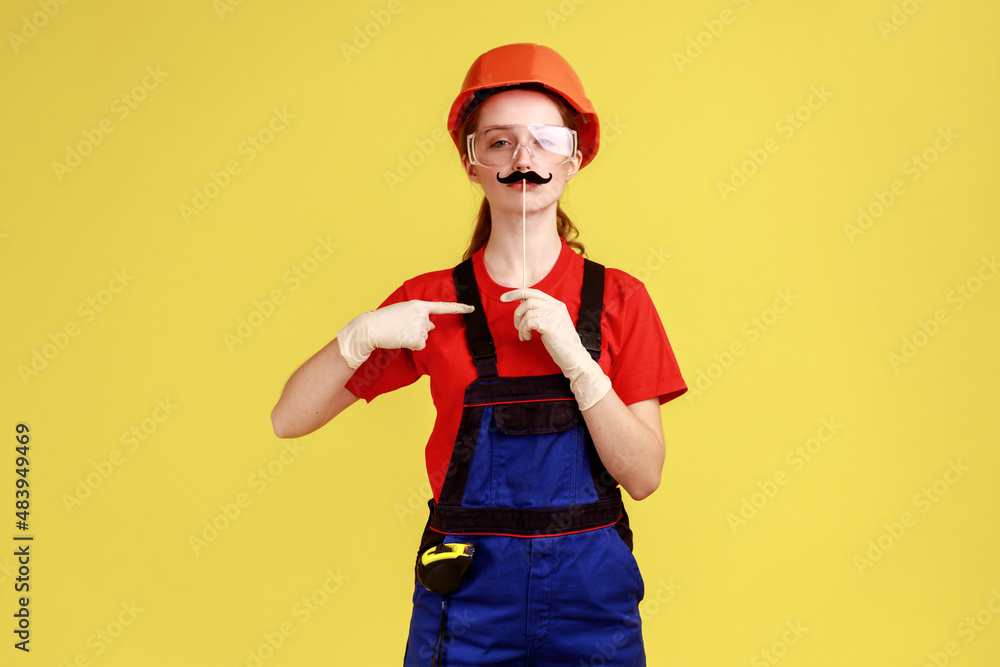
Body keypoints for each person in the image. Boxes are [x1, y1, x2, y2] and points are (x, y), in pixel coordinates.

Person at [271, 42, 687, 666]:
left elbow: (644, 475)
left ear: (574, 157)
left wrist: (579, 362)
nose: (524, 158)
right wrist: (356, 337)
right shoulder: (431, 304)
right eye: (499, 142)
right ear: (472, 164)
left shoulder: (621, 299)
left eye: (545, 138)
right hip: (468, 600)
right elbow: (289, 419)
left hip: (590, 603)